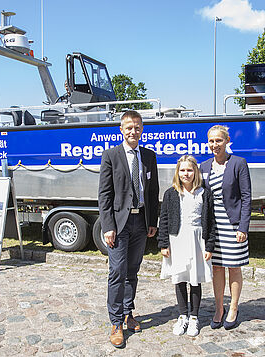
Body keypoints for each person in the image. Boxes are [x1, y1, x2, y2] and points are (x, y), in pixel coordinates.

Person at [98, 110, 159, 348]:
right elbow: (104, 195)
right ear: (121, 130)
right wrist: (108, 226)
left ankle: (127, 312)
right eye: (128, 128)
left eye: (137, 127)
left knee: (132, 271)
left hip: (141, 222)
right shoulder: (110, 156)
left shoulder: (149, 156)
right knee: (117, 272)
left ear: (141, 129)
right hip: (119, 224)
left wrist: (152, 221)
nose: (133, 131)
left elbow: (152, 192)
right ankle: (115, 323)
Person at [199, 125, 251, 330]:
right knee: (217, 267)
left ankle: (234, 308)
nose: (214, 145)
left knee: (234, 267)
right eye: (211, 141)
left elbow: (247, 197)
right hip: (214, 227)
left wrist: (243, 227)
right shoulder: (204, 166)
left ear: (227, 140)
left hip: (233, 225)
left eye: (218, 140)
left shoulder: (238, 163)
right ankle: (219, 308)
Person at [157, 155, 216, 337]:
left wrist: (209, 246)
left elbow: (211, 222)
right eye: (182, 170)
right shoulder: (171, 193)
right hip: (177, 240)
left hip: (198, 240)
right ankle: (182, 315)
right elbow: (164, 219)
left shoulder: (204, 194)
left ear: (195, 171)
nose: (186, 173)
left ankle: (194, 318)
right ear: (178, 172)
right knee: (180, 278)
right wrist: (163, 243)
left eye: (190, 170)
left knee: (195, 279)